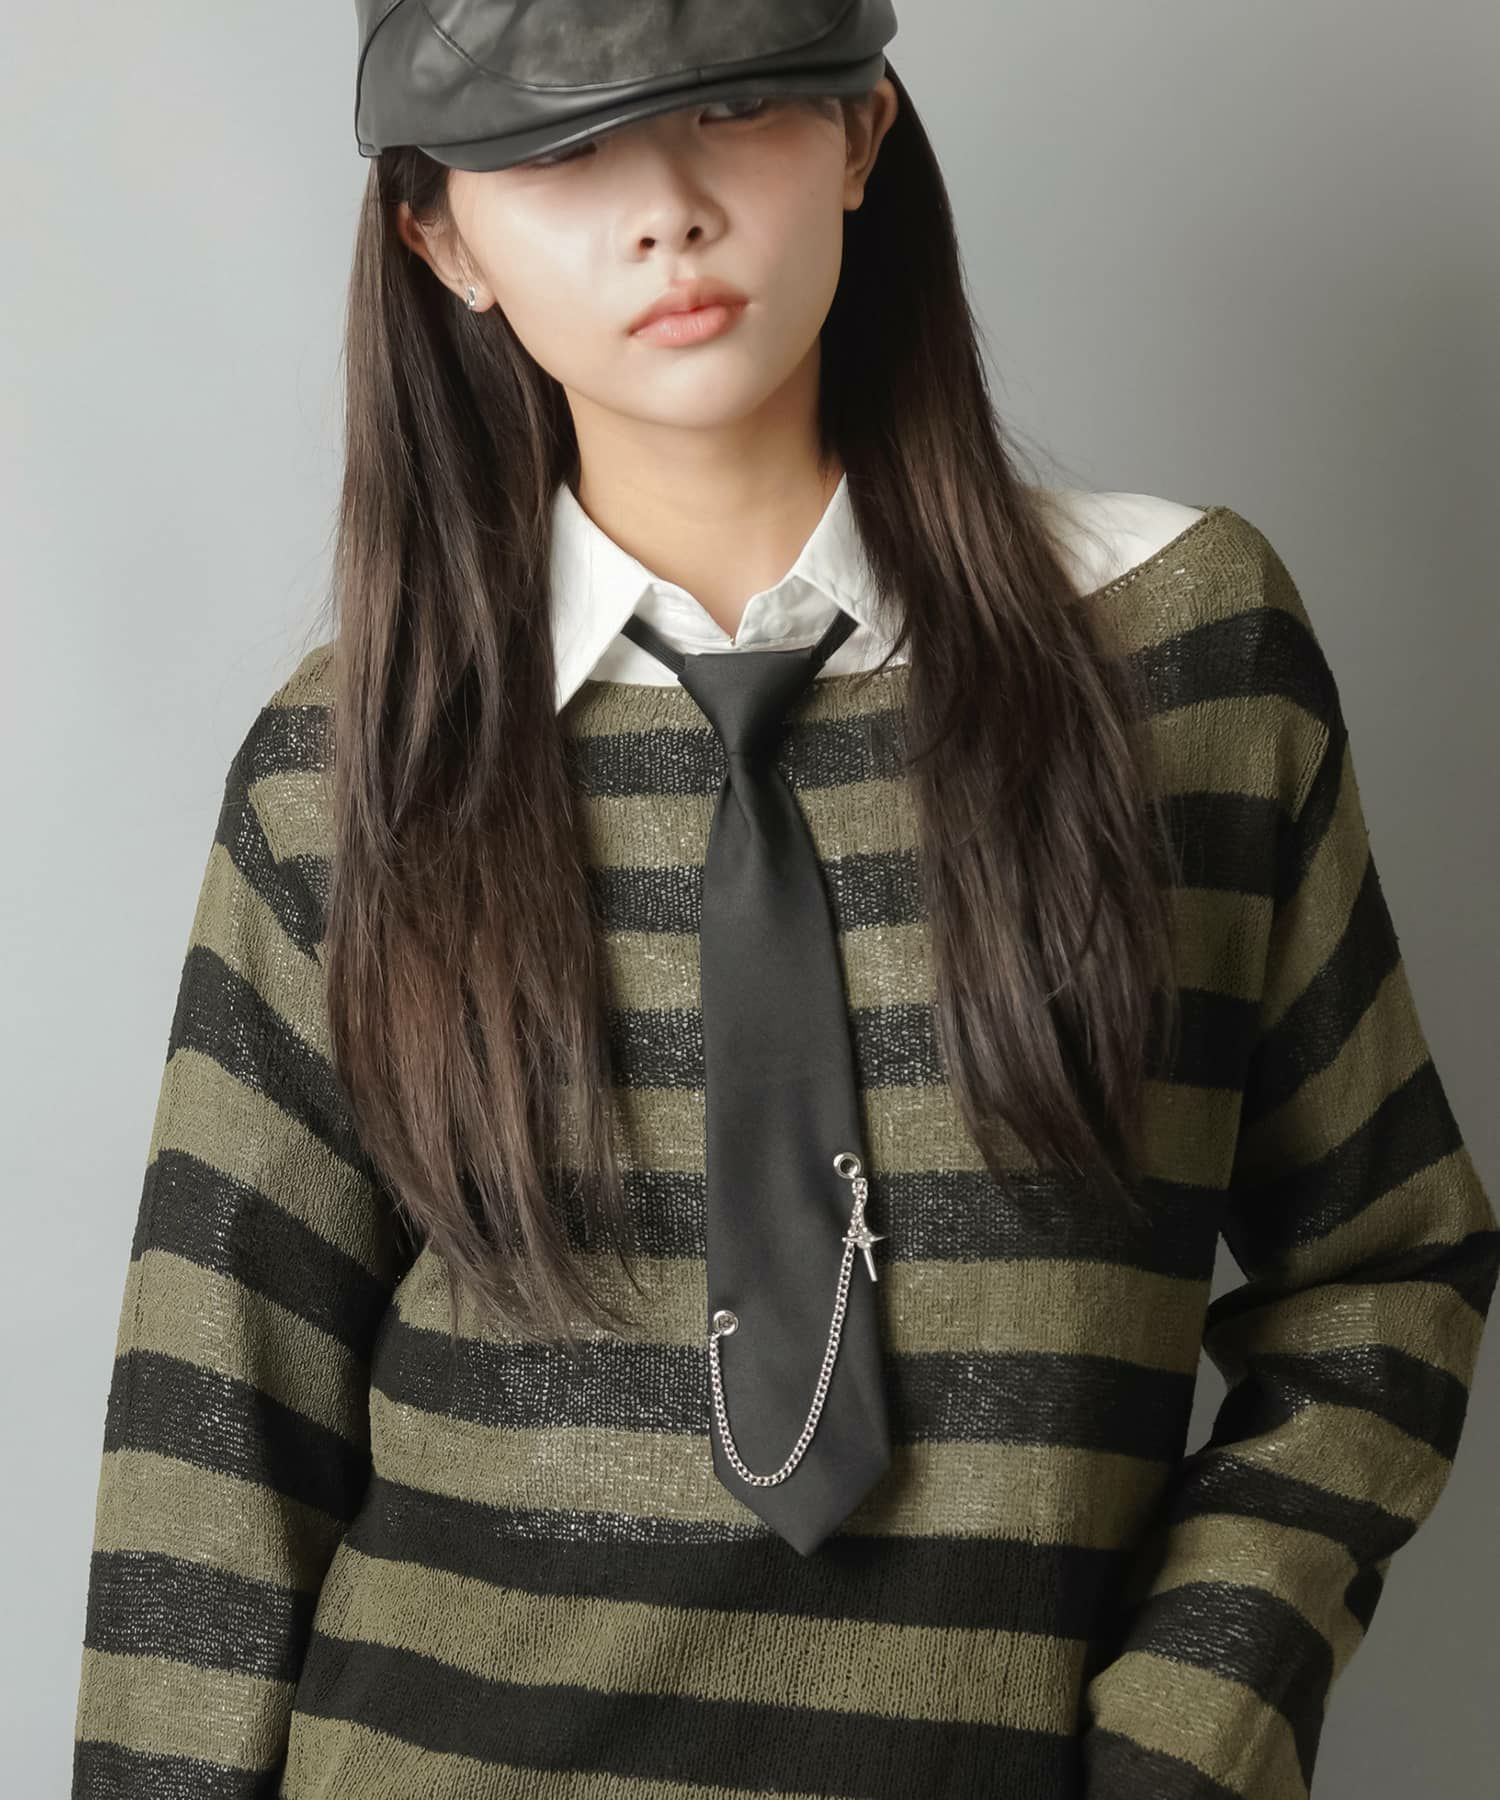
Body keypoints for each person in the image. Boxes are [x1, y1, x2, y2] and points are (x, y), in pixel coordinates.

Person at [70, 6, 1498, 1797]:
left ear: (862, 130)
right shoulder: (354, 769)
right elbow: (215, 1423)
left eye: (735, 103)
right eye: (558, 147)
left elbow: (1384, 1267)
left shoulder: (1180, 658)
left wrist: (1193, 1731)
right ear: (441, 237)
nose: (664, 209)